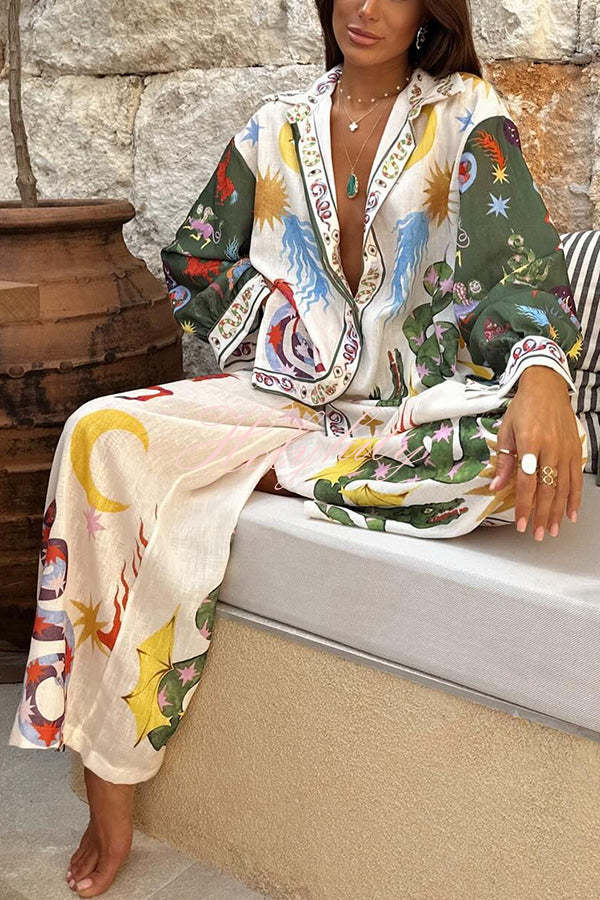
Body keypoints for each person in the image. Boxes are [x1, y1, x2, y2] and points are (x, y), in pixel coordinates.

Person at [8, 0, 588, 895]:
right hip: (284, 402)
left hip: (408, 414)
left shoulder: (468, 116)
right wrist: (290, 338)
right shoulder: (272, 128)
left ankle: (283, 474)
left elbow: (521, 264)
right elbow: (196, 259)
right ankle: (109, 772)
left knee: (510, 464)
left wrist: (544, 373)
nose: (366, 7)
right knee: (98, 433)